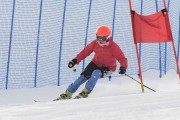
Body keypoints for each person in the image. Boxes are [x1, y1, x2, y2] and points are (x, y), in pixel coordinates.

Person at [55, 25, 128, 100]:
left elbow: (122, 58)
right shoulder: (95, 43)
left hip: (108, 67)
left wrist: (123, 67)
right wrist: (75, 61)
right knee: (82, 77)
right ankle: (68, 94)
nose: (100, 40)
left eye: (102, 38)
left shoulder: (113, 47)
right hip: (95, 63)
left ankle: (85, 92)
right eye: (98, 37)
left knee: (96, 73)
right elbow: (84, 52)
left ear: (107, 37)